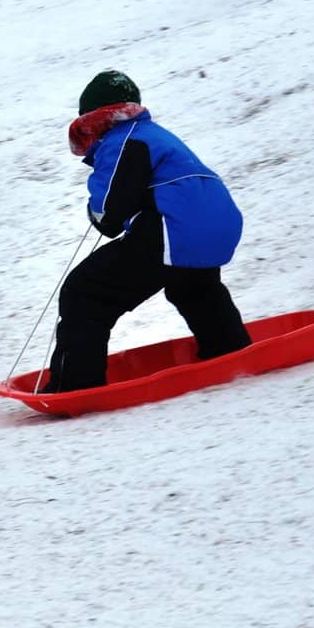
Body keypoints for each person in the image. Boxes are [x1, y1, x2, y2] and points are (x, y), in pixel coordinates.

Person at [42, 71, 251, 392]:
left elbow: (109, 217)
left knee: (84, 291)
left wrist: (95, 211)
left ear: (93, 120)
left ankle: (74, 385)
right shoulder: (155, 134)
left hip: (175, 226)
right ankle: (231, 350)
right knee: (192, 287)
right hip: (217, 224)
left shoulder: (122, 140)